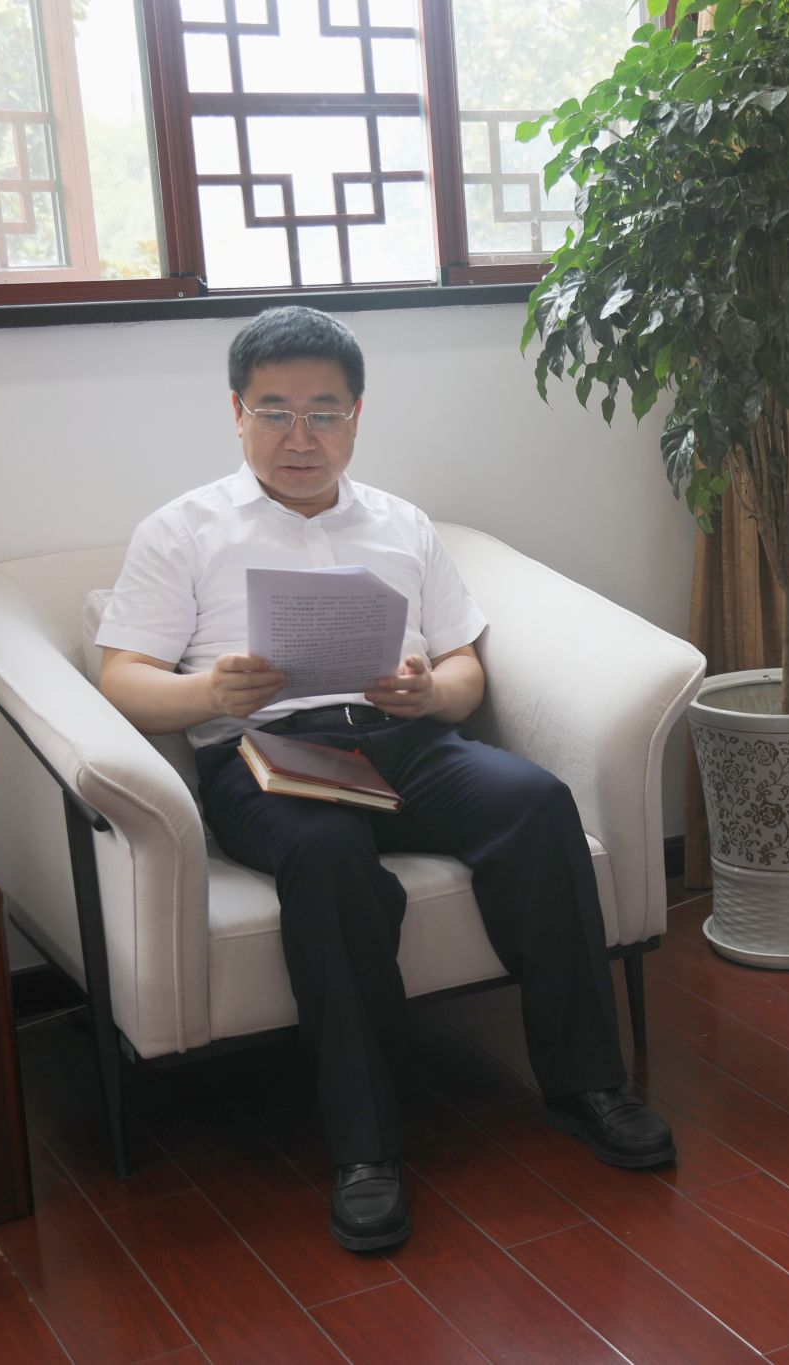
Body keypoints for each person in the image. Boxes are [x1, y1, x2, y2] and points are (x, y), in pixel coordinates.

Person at [96, 306, 674, 1254]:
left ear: (357, 417)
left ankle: (587, 1086)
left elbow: (464, 666)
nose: (301, 437)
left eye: (324, 413)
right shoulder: (183, 531)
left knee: (536, 804)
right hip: (266, 756)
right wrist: (209, 690)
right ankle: (365, 1148)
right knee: (330, 858)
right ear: (237, 413)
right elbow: (121, 675)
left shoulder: (402, 524)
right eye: (275, 411)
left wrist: (429, 691)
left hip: (400, 740)